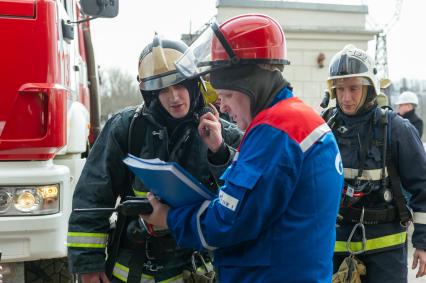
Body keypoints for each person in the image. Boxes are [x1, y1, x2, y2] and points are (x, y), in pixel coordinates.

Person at [142, 14, 343, 283]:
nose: (222, 107)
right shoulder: (296, 121)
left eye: (226, 95)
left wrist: (167, 217)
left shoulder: (276, 129)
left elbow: (227, 222)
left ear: (249, 84)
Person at [67, 35, 242, 283]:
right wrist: (87, 264)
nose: (174, 97)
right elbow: (91, 197)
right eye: (163, 90)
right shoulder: (126, 128)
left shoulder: (223, 134)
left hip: (198, 269)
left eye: (180, 85)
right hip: (133, 268)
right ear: (150, 94)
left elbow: (246, 200)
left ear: (194, 84)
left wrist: (220, 151)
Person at [323, 44, 426, 282]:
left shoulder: (396, 129)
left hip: (386, 250)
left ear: (370, 89)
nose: (346, 98)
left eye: (354, 88)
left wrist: (422, 242)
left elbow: (422, 186)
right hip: (334, 246)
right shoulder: (324, 128)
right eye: (339, 89)